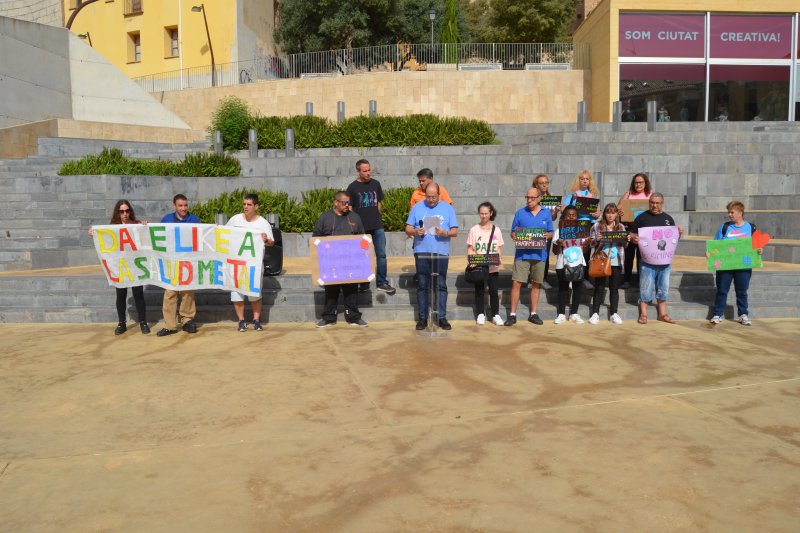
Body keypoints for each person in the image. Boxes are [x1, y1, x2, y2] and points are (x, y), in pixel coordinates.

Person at [88, 200, 150, 335]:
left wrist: (145, 226)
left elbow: (147, 237)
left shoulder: (137, 225)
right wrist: (94, 233)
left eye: (127, 211)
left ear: (130, 211)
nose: (125, 214)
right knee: (121, 294)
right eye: (122, 211)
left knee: (138, 293)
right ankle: (121, 323)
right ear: (118, 213)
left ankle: (143, 322)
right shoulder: (113, 227)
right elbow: (105, 238)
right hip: (120, 265)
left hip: (135, 264)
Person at [405, 183, 458, 331]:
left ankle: (441, 317)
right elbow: (407, 228)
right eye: (428, 197)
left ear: (439, 195)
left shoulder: (448, 208)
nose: (431, 200)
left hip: (441, 252)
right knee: (422, 285)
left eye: (434, 197)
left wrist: (445, 233)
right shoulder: (417, 207)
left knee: (441, 285)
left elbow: (455, 231)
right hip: (422, 251)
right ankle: (423, 318)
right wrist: (416, 231)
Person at [312, 191, 369, 328]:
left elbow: (363, 239)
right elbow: (315, 238)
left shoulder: (354, 217)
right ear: (336, 202)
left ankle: (353, 317)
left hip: (350, 263)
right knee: (331, 291)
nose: (346, 205)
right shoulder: (325, 218)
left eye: (348, 203)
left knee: (351, 290)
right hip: (331, 263)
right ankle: (329, 317)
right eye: (344, 203)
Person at [628, 192, 683, 324]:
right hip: (646, 260)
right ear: (649, 203)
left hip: (664, 260)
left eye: (657, 203)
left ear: (662, 204)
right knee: (645, 287)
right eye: (652, 202)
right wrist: (634, 238)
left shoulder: (669, 219)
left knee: (663, 287)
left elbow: (672, 240)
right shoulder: (641, 217)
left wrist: (679, 234)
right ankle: (643, 314)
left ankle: (663, 314)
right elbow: (631, 233)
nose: (654, 205)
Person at [505, 188, 553, 326]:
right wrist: (514, 235)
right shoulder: (520, 212)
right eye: (527, 197)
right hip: (522, 254)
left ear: (539, 198)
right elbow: (513, 232)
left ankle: (533, 313)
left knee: (536, 284)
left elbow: (551, 232)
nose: (529, 200)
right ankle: (512, 314)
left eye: (532, 198)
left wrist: (547, 235)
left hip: (540, 254)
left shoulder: (546, 213)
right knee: (516, 283)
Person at [226, 193, 275, 332]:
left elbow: (271, 242)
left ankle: (256, 320)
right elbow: (224, 234)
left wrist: (266, 240)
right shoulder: (234, 219)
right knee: (237, 293)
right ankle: (241, 321)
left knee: (254, 294)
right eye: (244, 204)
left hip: (254, 264)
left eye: (249, 204)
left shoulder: (263, 223)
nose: (246, 207)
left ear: (256, 206)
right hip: (236, 263)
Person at [346, 159, 396, 295]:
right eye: (365, 171)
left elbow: (379, 203)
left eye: (369, 170)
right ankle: (363, 283)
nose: (368, 173)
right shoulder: (352, 188)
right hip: (361, 228)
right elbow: (349, 209)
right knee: (362, 256)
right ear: (358, 171)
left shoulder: (376, 184)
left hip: (377, 226)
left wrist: (378, 217)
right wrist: (353, 226)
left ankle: (382, 282)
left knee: (381, 255)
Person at [709, 201, 761, 326]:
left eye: (732, 212)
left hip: (744, 265)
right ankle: (718, 314)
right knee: (722, 290)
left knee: (742, 291)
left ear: (740, 213)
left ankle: (743, 314)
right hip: (725, 266)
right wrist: (710, 253)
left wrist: (759, 249)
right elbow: (715, 244)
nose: (729, 215)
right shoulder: (724, 227)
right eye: (729, 212)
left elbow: (757, 245)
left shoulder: (751, 227)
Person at [157, 194, 200, 337]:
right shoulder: (166, 220)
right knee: (170, 293)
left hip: (188, 263)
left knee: (188, 293)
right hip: (171, 262)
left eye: (185, 205)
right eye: (180, 205)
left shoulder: (194, 220)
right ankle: (170, 325)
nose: (183, 208)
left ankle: (187, 320)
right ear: (174, 206)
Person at [466, 202, 504, 326]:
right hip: (479, 265)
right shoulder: (474, 230)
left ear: (491, 213)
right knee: (479, 290)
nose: (483, 216)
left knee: (494, 290)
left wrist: (499, 258)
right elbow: (471, 248)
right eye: (481, 213)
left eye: (486, 213)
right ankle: (480, 314)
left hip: (493, 266)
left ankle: (495, 314)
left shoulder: (496, 230)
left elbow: (498, 248)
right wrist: (471, 260)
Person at [587, 203, 626, 325]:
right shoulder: (597, 226)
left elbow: (624, 245)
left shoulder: (620, 227)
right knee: (599, 287)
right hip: (601, 260)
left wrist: (626, 240)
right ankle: (595, 313)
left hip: (616, 261)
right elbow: (591, 244)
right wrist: (596, 240)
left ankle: (614, 313)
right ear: (604, 213)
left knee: (614, 288)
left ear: (616, 214)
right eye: (608, 212)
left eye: (613, 212)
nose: (610, 215)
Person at [551, 206, 589, 324]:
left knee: (578, 288)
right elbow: (555, 251)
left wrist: (586, 244)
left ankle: (574, 313)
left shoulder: (582, 231)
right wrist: (559, 243)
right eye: (568, 215)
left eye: (574, 215)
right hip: (563, 264)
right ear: (564, 217)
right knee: (563, 289)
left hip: (579, 263)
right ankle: (561, 314)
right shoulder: (559, 231)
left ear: (577, 217)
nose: (571, 217)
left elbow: (585, 251)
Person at [564, 170, 601, 287]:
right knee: (574, 250)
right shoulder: (572, 195)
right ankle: (571, 275)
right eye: (582, 178)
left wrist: (596, 214)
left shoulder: (593, 195)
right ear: (578, 180)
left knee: (587, 251)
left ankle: (584, 277)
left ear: (590, 181)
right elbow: (564, 209)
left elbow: (598, 213)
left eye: (587, 179)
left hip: (589, 225)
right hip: (576, 225)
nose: (585, 181)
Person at [618, 172, 653, 289]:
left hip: (645, 229)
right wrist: (620, 212)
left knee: (642, 256)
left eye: (641, 182)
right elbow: (617, 209)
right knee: (628, 255)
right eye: (636, 182)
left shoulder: (650, 194)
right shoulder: (627, 194)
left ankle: (640, 280)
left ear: (645, 183)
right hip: (629, 227)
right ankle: (627, 280)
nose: (638, 184)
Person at [532, 173, 561, 290]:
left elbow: (553, 218)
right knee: (534, 255)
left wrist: (556, 211)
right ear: (536, 185)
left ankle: (543, 279)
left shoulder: (551, 199)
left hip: (547, 232)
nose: (544, 185)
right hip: (534, 231)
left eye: (546, 183)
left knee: (545, 256)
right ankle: (533, 279)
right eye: (541, 183)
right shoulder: (533, 197)